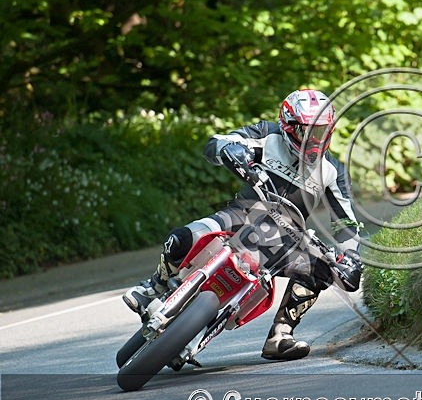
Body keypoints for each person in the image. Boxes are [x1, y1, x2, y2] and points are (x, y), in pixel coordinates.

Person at [123, 89, 363, 361]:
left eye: (319, 132)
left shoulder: (333, 171)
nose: (313, 140)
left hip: (287, 240)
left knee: (322, 270)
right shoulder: (267, 134)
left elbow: (346, 222)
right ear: (287, 125)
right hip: (242, 215)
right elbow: (216, 142)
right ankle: (153, 287)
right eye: (305, 131)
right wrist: (231, 150)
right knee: (182, 238)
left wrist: (351, 257)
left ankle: (280, 335)